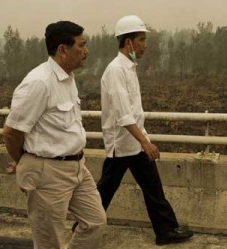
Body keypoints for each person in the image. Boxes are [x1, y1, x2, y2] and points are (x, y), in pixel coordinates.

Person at [73, 15, 194, 246]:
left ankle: (166, 231)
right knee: (106, 188)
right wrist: (146, 143)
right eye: (141, 39)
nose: (145, 44)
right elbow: (123, 115)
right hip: (122, 144)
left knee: (153, 187)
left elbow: (134, 112)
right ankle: (81, 228)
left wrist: (143, 140)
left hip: (135, 143)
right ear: (128, 42)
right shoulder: (116, 70)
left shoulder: (129, 68)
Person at [2, 21, 106, 249]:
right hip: (48, 172)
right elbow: (11, 132)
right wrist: (25, 162)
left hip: (78, 166)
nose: (86, 51)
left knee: (96, 223)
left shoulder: (68, 78)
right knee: (51, 242)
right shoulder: (39, 83)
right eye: (82, 45)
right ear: (62, 50)